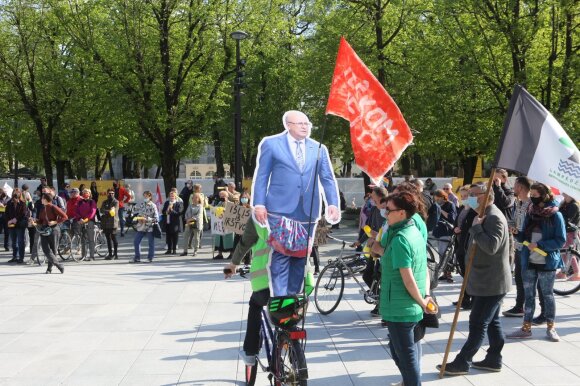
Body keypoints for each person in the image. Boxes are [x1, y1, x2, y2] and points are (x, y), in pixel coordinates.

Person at [252, 110, 340, 296]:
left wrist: (332, 203)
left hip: (307, 211)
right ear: (288, 125)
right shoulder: (272, 144)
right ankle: (281, 298)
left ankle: (293, 298)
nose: (305, 127)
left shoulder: (318, 148)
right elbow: (262, 176)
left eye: (307, 124)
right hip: (279, 210)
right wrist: (259, 204)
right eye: (300, 123)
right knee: (282, 253)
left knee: (301, 257)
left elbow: (327, 178)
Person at [437, 184, 512, 375]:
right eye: (468, 194)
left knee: (478, 321)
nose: (469, 198)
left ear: (487, 197)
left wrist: (477, 229)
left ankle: (463, 361)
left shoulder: (494, 217)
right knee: (492, 321)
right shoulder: (483, 215)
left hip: (492, 282)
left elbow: (491, 246)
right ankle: (494, 359)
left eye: (473, 195)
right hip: (485, 279)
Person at [224, 214, 316, 367]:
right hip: (299, 282)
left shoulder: (259, 218)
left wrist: (233, 265)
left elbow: (244, 243)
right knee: (288, 313)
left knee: (255, 305)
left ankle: (250, 352)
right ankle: (296, 364)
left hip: (267, 283)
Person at [376, 192, 432, 386]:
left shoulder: (401, 239)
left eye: (388, 210)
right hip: (407, 307)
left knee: (407, 358)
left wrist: (422, 301)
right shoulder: (413, 231)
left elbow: (408, 280)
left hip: (401, 308)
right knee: (402, 351)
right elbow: (425, 269)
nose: (385, 214)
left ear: (401, 213)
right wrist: (425, 296)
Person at [507, 182, 566, 342]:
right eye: (531, 195)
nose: (531, 198)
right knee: (529, 295)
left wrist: (540, 245)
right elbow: (524, 236)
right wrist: (516, 233)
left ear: (544, 196)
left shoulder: (555, 215)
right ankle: (526, 328)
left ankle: (551, 327)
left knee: (547, 295)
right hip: (529, 260)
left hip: (547, 262)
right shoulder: (530, 212)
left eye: (534, 195)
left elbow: (561, 240)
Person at [503, 176, 533, 317]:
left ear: (520, 187)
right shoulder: (518, 203)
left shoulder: (531, 205)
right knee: (520, 278)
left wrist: (518, 231)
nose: (513, 188)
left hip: (527, 247)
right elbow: (514, 222)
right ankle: (519, 306)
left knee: (527, 279)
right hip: (518, 245)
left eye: (515, 185)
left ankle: (527, 307)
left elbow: (530, 227)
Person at [452, 185, 478, 309]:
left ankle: (471, 299)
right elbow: (456, 222)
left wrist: (461, 228)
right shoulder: (462, 208)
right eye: (461, 196)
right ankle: (465, 298)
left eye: (466, 196)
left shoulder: (474, 210)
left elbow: (470, 226)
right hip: (459, 242)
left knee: (469, 274)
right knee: (464, 273)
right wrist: (455, 228)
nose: (463, 198)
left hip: (467, 243)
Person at [33, 192, 67, 274]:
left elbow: (65, 217)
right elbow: (41, 221)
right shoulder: (43, 208)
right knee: (46, 249)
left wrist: (55, 221)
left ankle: (49, 268)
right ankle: (59, 265)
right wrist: (35, 221)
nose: (41, 199)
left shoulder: (53, 207)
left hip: (54, 230)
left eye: (42, 198)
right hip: (44, 230)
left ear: (46, 199)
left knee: (53, 250)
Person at [432, 189, 457, 282]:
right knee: (441, 254)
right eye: (435, 199)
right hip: (438, 231)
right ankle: (445, 273)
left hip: (446, 231)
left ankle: (449, 274)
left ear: (443, 197)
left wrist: (440, 209)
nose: (437, 200)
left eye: (438, 198)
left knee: (446, 254)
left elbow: (452, 217)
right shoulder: (436, 205)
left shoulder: (450, 204)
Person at [558, 193, 580, 281]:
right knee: (563, 251)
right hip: (565, 230)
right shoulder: (565, 204)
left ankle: (576, 272)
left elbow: (568, 219)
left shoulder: (574, 206)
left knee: (570, 252)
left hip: (570, 232)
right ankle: (564, 271)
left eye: (566, 195)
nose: (564, 197)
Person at [133, 190, 159, 263]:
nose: (145, 197)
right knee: (136, 241)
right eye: (144, 196)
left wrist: (147, 219)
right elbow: (139, 214)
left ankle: (150, 258)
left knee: (151, 243)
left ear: (150, 196)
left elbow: (156, 218)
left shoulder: (153, 205)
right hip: (141, 227)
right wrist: (139, 219)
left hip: (150, 227)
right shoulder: (142, 204)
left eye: (146, 196)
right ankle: (137, 257)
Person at [5, 189, 29, 264]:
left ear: (19, 197)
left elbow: (24, 214)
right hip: (11, 225)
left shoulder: (23, 203)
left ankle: (21, 257)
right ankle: (14, 256)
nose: (14, 200)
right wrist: (9, 220)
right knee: (13, 242)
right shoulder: (9, 203)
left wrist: (16, 219)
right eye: (13, 198)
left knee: (20, 241)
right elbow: (6, 213)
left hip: (19, 225)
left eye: (16, 198)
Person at [75, 189, 97, 261]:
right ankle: (83, 255)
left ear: (90, 194)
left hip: (89, 221)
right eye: (84, 192)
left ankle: (92, 256)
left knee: (91, 239)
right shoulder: (79, 202)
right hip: (81, 221)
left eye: (87, 193)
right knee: (83, 239)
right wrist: (80, 218)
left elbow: (92, 212)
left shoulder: (92, 202)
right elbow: (76, 211)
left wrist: (86, 219)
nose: (85, 194)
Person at [181, 192, 204, 257]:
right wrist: (187, 219)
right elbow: (186, 213)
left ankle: (195, 251)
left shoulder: (200, 206)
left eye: (196, 197)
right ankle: (185, 251)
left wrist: (191, 219)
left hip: (196, 223)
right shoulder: (190, 205)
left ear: (199, 199)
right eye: (193, 197)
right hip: (188, 223)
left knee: (196, 238)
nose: (194, 199)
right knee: (185, 236)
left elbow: (198, 215)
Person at [100, 188, 120, 260]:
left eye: (112, 193)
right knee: (108, 239)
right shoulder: (104, 202)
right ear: (107, 194)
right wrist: (109, 211)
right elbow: (101, 210)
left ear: (114, 194)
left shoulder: (116, 202)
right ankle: (110, 254)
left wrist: (107, 211)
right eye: (109, 193)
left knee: (114, 238)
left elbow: (114, 212)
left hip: (113, 222)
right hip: (105, 223)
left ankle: (115, 254)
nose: (111, 194)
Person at [162, 190, 183, 255]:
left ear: (175, 197)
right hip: (167, 222)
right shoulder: (166, 203)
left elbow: (179, 213)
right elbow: (163, 212)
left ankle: (174, 250)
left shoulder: (178, 204)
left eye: (173, 196)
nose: (171, 197)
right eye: (170, 196)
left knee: (174, 237)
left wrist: (172, 210)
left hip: (175, 223)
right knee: (168, 236)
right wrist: (166, 210)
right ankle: (169, 249)